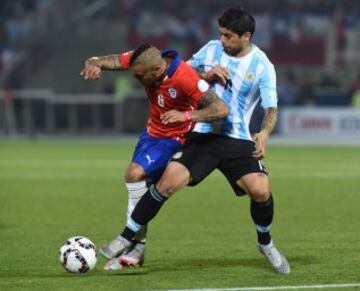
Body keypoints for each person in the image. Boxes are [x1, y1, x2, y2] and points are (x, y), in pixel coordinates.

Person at [101, 7, 290, 274]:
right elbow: (182, 76)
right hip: (202, 134)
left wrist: (265, 132)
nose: (222, 40)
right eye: (221, 34)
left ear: (246, 36)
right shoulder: (211, 49)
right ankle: (128, 237)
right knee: (167, 184)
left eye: (228, 36)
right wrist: (207, 74)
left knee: (261, 191)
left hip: (237, 138)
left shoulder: (262, 65)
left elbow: (271, 108)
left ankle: (265, 242)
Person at [80, 44, 228, 269]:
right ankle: (136, 249)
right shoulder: (143, 60)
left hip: (174, 139)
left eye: (139, 75)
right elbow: (109, 59)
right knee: (139, 186)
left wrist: (187, 115)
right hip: (151, 134)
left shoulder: (185, 77)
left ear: (157, 70)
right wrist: (93, 63)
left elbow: (220, 109)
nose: (136, 78)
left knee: (134, 173)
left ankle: (130, 243)